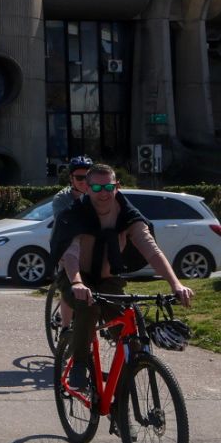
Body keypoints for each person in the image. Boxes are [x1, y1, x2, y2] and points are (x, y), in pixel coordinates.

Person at [52, 163, 194, 388]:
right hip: (75, 277)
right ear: (87, 189)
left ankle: (124, 392)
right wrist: (78, 282)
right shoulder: (74, 214)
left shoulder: (127, 213)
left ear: (117, 186)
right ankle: (79, 363)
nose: (104, 193)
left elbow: (151, 249)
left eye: (109, 187)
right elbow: (71, 254)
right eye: (97, 188)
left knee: (130, 335)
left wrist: (175, 284)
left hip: (108, 278)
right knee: (88, 307)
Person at [48, 155, 94, 331]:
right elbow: (67, 225)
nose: (84, 182)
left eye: (88, 177)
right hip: (64, 242)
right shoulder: (62, 199)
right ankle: (66, 330)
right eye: (79, 178)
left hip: (89, 244)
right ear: (71, 179)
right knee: (69, 284)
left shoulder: (98, 192)